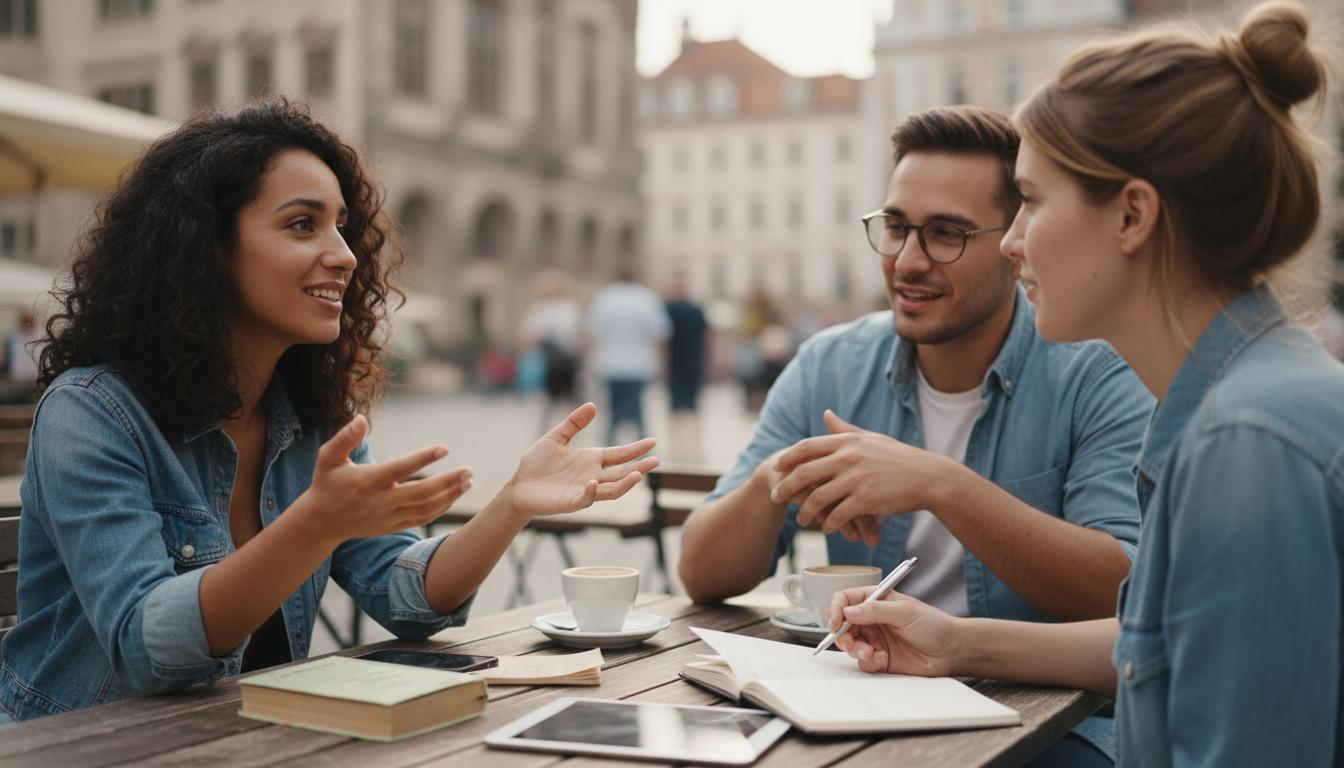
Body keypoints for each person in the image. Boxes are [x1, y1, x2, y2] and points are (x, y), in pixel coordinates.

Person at [0, 102, 658, 724]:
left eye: (342, 225)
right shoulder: (93, 412)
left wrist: (512, 503)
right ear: (207, 247)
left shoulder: (312, 415)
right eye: (301, 224)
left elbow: (406, 597)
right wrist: (313, 526)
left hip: (247, 740)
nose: (344, 254)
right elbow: (147, 647)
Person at [827, 4, 1342, 765]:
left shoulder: (1246, 442)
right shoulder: (1244, 397)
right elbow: (1170, 640)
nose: (1010, 242)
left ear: (1132, 215)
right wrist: (957, 642)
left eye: (1031, 201)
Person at [678, 105, 1155, 765]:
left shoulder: (1094, 371)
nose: (908, 260)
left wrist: (940, 485)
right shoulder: (829, 366)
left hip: (1054, 726)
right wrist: (778, 476)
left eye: (946, 234)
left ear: (1014, 242)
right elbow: (701, 574)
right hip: (860, 705)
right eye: (897, 227)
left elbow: (1126, 590)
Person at [586, 269, 672, 445]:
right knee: (638, 410)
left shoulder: (605, 298)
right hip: (638, 364)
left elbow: (593, 333)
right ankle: (642, 447)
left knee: (612, 411)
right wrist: (661, 363)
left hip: (610, 364)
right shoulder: (646, 298)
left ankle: (609, 448)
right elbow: (660, 334)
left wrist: (592, 361)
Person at [520, 271, 584, 433]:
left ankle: (568, 429)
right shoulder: (538, 309)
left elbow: (576, 335)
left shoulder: (567, 308)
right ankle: (548, 431)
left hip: (564, 360)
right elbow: (529, 336)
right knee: (547, 399)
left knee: (566, 398)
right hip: (547, 361)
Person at [663, 276, 708, 462]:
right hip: (694, 362)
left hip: (674, 364)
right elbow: (706, 337)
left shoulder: (667, 309)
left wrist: (662, 364)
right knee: (693, 407)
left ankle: (676, 448)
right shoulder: (696, 310)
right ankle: (695, 448)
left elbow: (663, 339)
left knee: (675, 408)